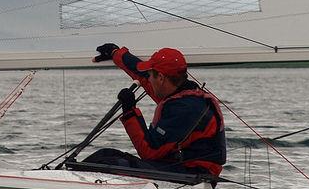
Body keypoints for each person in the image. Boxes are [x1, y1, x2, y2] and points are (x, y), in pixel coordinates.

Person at [86, 44, 226, 176]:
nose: (148, 79)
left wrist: (129, 111)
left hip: (194, 174)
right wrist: (115, 53)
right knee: (105, 154)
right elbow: (141, 74)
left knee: (107, 163)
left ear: (160, 78)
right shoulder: (183, 94)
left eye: (151, 74)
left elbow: (149, 151)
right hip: (178, 166)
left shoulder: (185, 108)